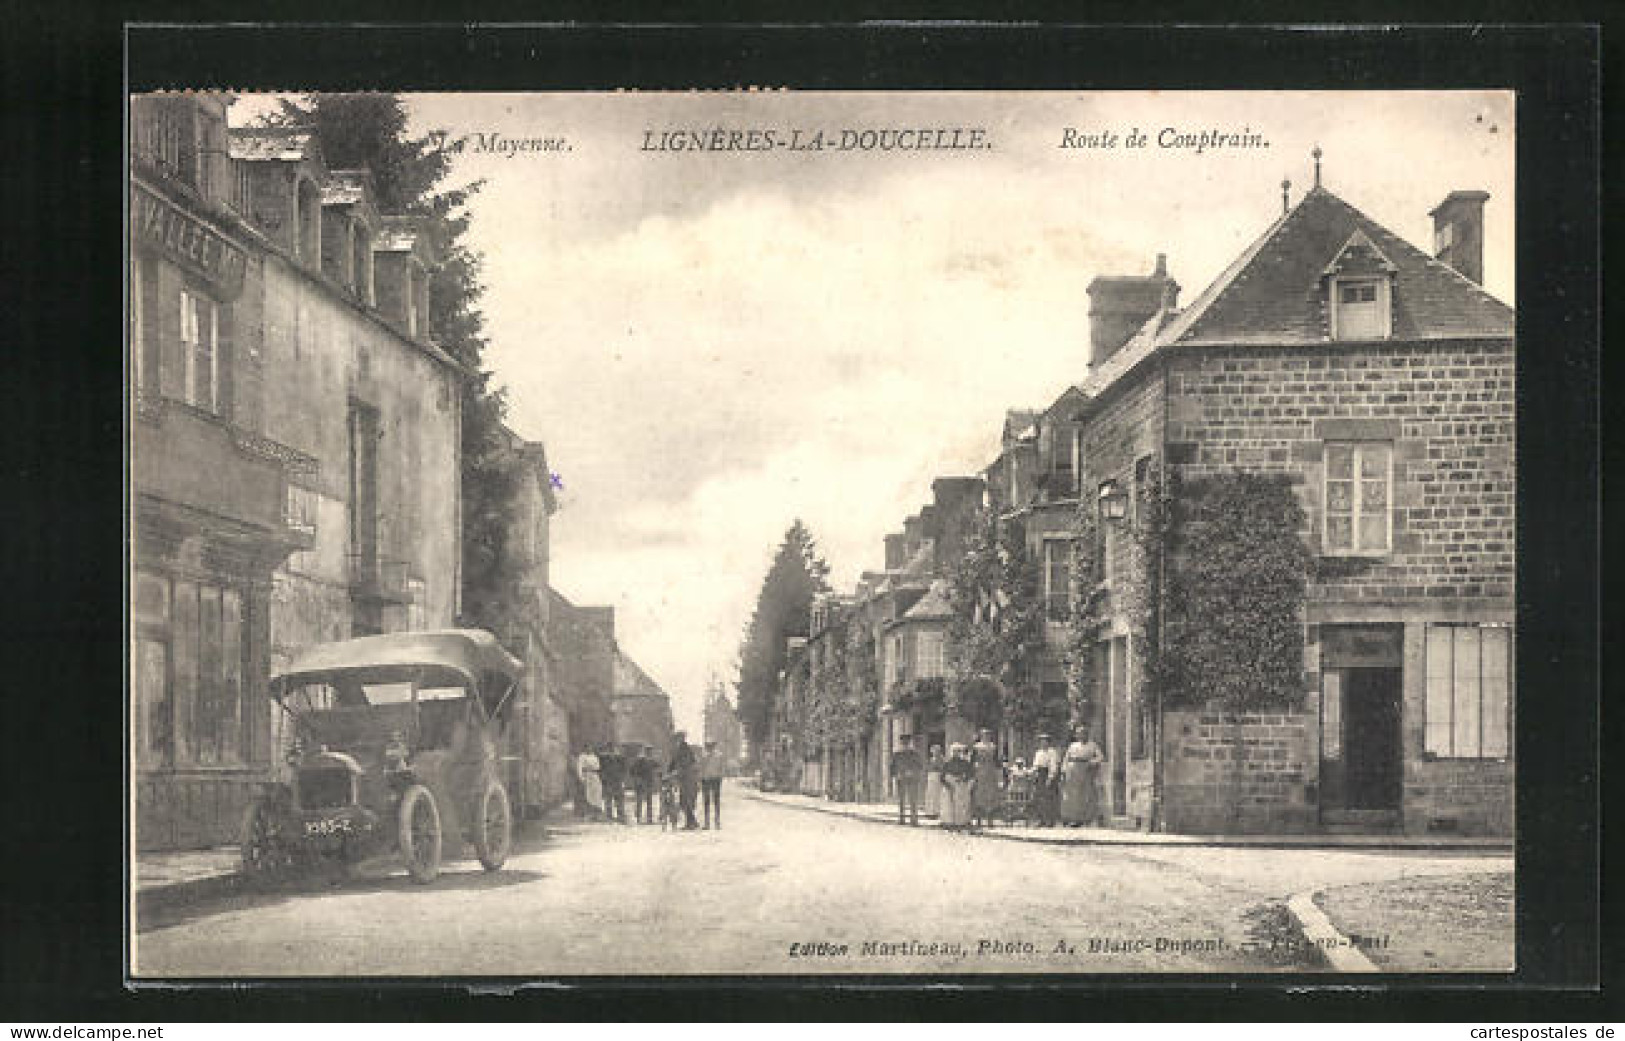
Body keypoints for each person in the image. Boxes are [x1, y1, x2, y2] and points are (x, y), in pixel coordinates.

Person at [1060, 724, 1105, 826]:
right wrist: (1064, 770)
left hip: (1085, 769)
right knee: (1073, 794)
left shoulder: (1092, 745)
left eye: (1083, 733)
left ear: (1087, 734)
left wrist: (1091, 762)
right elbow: (1066, 759)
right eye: (1079, 734)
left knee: (1086, 794)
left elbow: (1100, 757)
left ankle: (1086, 818)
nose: (1081, 736)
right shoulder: (1073, 745)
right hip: (1073, 769)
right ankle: (1074, 818)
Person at [970, 728, 1003, 830]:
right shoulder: (976, 747)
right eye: (984, 735)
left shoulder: (993, 746)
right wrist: (973, 771)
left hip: (990, 773)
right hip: (979, 772)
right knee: (979, 795)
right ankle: (979, 820)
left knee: (990, 796)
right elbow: (972, 760)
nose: (985, 736)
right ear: (980, 736)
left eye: (987, 735)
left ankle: (990, 820)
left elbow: (997, 762)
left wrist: (1000, 775)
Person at [889, 733, 925, 825]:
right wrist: (896, 774)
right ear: (901, 743)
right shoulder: (897, 754)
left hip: (912, 779)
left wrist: (913, 772)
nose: (905, 744)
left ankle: (914, 819)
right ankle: (902, 818)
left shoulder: (914, 754)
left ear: (910, 743)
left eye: (907, 742)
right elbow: (892, 766)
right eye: (903, 743)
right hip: (901, 779)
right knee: (901, 800)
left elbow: (920, 765)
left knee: (913, 799)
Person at [668, 730, 700, 830]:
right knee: (684, 801)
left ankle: (691, 822)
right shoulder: (678, 749)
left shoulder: (685, 749)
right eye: (676, 738)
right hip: (682, 778)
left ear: (682, 738)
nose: (677, 740)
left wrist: (677, 771)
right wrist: (669, 771)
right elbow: (673, 763)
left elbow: (686, 763)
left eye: (678, 738)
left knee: (686, 801)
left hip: (688, 778)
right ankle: (691, 822)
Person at [939, 743, 975, 831]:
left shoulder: (965, 763)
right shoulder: (947, 763)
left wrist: (964, 778)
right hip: (949, 784)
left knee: (962, 803)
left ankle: (962, 822)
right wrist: (948, 785)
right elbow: (942, 776)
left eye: (958, 751)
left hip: (961, 784)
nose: (956, 753)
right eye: (954, 751)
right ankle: (949, 822)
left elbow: (971, 774)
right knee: (948, 804)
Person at [1030, 732, 1061, 827]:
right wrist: (1030, 772)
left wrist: (1050, 778)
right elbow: (1035, 766)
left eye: (1045, 741)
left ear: (1048, 742)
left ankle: (1050, 820)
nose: (1043, 743)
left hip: (1047, 775)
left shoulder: (1052, 752)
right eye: (1041, 741)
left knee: (1049, 799)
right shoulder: (1038, 753)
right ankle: (1041, 819)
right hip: (1040, 776)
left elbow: (1053, 766)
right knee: (1039, 798)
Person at [599, 743, 628, 825]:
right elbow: (600, 769)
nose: (611, 750)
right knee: (608, 799)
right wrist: (603, 779)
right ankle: (609, 816)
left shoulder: (620, 758)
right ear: (607, 749)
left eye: (612, 748)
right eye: (609, 748)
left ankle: (620, 815)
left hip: (618, 781)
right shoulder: (603, 758)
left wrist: (622, 778)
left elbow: (624, 769)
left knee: (619, 798)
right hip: (608, 781)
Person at [699, 740, 726, 829]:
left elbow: (722, 768)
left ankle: (717, 822)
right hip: (706, 780)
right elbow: (701, 769)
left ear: (714, 746)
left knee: (716, 801)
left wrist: (720, 778)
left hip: (715, 779)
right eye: (708, 746)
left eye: (711, 746)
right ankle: (707, 823)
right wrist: (701, 779)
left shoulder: (719, 756)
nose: (709, 747)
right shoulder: (704, 756)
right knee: (706, 802)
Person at [630, 744, 658, 824]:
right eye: (648, 751)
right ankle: (639, 818)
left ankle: (649, 818)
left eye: (650, 751)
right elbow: (632, 771)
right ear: (645, 751)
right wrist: (637, 779)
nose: (649, 753)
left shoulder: (652, 761)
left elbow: (658, 768)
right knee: (640, 801)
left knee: (649, 801)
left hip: (649, 783)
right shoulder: (640, 760)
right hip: (641, 783)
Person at [575, 746, 603, 820]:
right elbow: (579, 768)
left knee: (597, 794)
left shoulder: (594, 756)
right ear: (585, 748)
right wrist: (581, 778)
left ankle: (596, 814)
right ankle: (587, 814)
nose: (589, 749)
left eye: (591, 748)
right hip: (587, 776)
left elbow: (598, 766)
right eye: (588, 748)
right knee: (587, 795)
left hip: (594, 776)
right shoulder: (582, 756)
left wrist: (594, 769)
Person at [922, 744, 945, 819]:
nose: (934, 752)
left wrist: (937, 768)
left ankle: (936, 812)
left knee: (936, 795)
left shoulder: (941, 759)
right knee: (930, 794)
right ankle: (930, 812)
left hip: (937, 777)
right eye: (933, 751)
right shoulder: (931, 759)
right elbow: (927, 767)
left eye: (935, 750)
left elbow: (942, 768)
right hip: (931, 776)